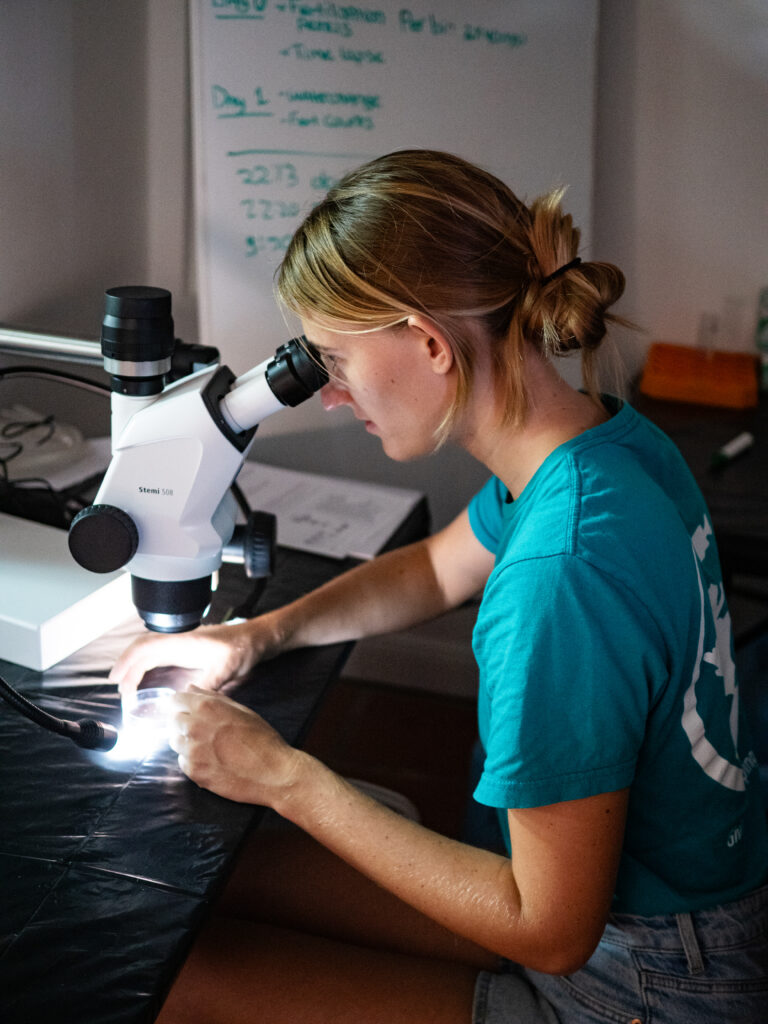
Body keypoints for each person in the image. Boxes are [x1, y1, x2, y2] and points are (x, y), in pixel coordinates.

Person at [110, 150, 768, 1024]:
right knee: (208, 884)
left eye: (337, 360)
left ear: (428, 342)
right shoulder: (603, 446)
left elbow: (551, 929)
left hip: (641, 977)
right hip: (650, 903)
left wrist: (281, 774)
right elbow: (435, 565)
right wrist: (256, 635)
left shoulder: (560, 578)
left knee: (184, 985)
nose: (333, 397)